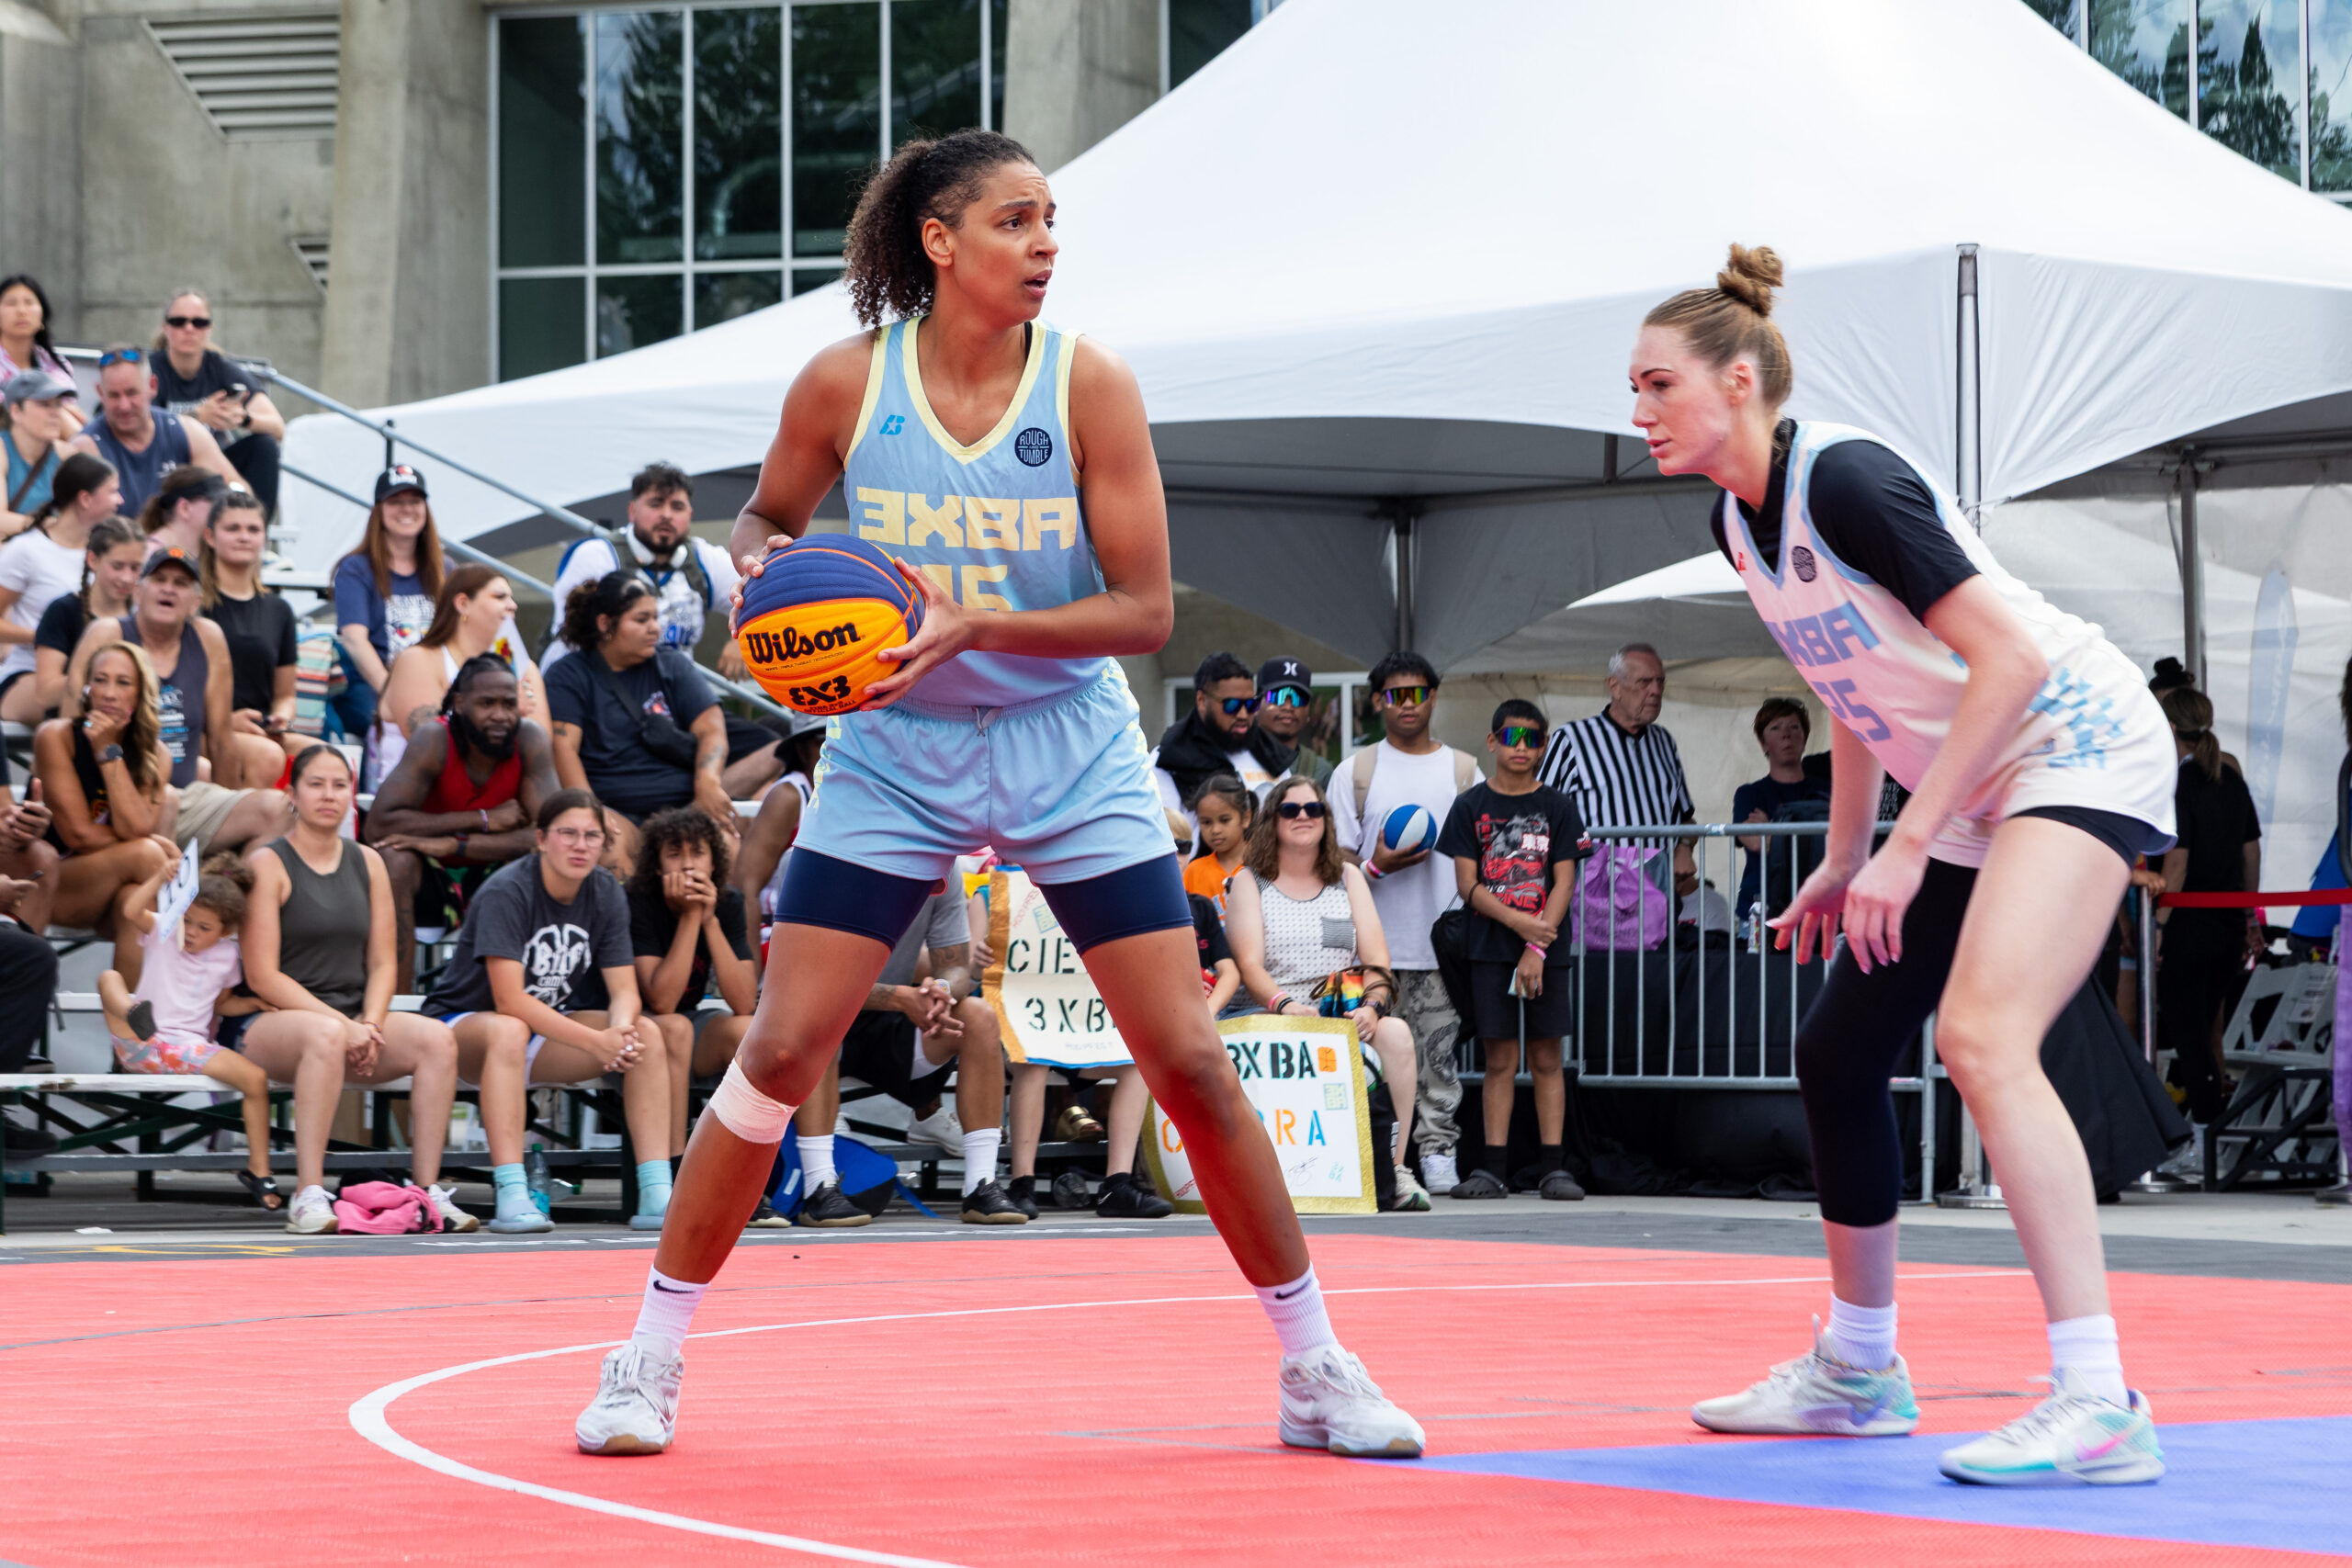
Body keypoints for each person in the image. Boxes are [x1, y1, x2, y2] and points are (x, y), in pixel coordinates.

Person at [575, 129, 1421, 1461]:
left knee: (1190, 1057)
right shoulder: (845, 384)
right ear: (939, 240)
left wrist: (977, 624)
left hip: (1064, 744)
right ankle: (647, 1356)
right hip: (895, 749)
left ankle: (1315, 1363)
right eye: (1019, 221)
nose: (1046, 244)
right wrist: (757, 578)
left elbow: (1144, 609)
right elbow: (764, 522)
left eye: (1052, 221)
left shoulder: (1089, 385)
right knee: (782, 1048)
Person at [1641, 245, 2177, 1484]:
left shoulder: (1850, 479)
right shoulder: (1736, 519)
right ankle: (1860, 1368)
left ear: (1737, 381)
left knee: (1984, 1036)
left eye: (1658, 384)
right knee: (1836, 1050)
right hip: (1977, 777)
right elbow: (1853, 683)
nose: (1640, 409)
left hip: (2072, 742)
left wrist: (1907, 843)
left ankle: (2100, 1399)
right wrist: (1843, 854)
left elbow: (2011, 663)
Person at [424, 788, 680, 1235]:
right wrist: (596, 1042)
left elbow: (624, 988)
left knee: (647, 1035)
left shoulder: (605, 891)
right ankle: (511, 1192)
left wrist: (618, 1032)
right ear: (541, 839)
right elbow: (510, 1000)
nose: (580, 846)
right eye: (568, 834)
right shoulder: (510, 889)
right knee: (507, 1030)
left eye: (591, 836)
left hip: (538, 1032)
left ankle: (657, 1193)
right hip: (460, 1030)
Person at [234, 744, 467, 1235]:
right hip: (269, 1023)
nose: (329, 795)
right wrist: (345, 1028)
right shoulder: (267, 863)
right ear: (292, 794)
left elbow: (385, 960)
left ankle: (426, 1193)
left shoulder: (369, 862)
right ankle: (309, 1194)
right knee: (324, 1036)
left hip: (354, 1021)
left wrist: (370, 1025)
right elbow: (263, 976)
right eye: (316, 784)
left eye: (339, 785)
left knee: (438, 1040)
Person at [1225, 775, 1430, 1212]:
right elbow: (1249, 966)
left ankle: (1393, 1170)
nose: (1303, 817)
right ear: (1272, 820)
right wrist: (1287, 1006)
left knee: (1395, 1035)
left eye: (1314, 809)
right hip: (1273, 1014)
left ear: (1326, 819)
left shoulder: (1348, 877)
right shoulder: (1249, 881)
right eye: (1291, 810)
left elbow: (1376, 960)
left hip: (1340, 1013)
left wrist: (1374, 1008)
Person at [1327, 651, 1477, 1197]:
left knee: (1438, 1057)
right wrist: (1376, 867)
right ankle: (1374, 1157)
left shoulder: (1462, 770)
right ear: (1377, 702)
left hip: (1439, 944)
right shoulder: (1357, 771)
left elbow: (1478, 852)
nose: (1407, 704)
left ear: (1433, 697)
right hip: (1373, 951)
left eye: (1417, 694)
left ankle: (1437, 1151)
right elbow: (1335, 863)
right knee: (1368, 1057)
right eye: (1395, 695)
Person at [787, 884, 1026, 1226]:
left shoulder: (941, 865)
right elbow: (814, 980)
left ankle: (980, 1185)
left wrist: (940, 991)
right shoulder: (824, 856)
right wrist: (901, 997)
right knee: (817, 1017)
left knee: (978, 1017)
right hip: (808, 1013)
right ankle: (819, 1189)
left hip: (887, 1018)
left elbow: (955, 967)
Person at [1437, 701, 1589, 1201]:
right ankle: (1492, 1169)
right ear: (1493, 741)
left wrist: (1537, 944)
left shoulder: (1560, 807)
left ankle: (1554, 1168)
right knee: (1498, 1059)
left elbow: (1564, 882)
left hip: (1546, 949)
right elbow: (1467, 884)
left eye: (1531, 738)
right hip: (1488, 946)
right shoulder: (1469, 806)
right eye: (1511, 735)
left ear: (1543, 746)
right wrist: (1517, 922)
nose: (1520, 746)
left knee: (1547, 1057)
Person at [64, 545, 288, 857]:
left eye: (181, 584)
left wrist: (228, 806)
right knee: (165, 799)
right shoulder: (107, 634)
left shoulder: (208, 637)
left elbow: (222, 739)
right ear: (139, 591)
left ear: (196, 601)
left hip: (187, 797)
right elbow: (70, 726)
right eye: (159, 580)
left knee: (277, 808)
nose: (168, 589)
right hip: (116, 793)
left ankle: (233, 896)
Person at [364, 653, 561, 993]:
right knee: (393, 860)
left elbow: (551, 837)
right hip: (431, 874)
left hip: (493, 872)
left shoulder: (529, 739)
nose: (500, 715)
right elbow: (379, 826)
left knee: (550, 861)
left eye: (508, 704)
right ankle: (398, 1003)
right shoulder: (434, 739)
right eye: (487, 703)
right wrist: (484, 819)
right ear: (459, 702)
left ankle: (529, 997)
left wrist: (457, 843)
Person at [98, 853, 279, 1210]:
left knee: (256, 1079)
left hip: (186, 1051)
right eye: (188, 920)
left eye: (204, 927)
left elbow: (221, 1004)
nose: (191, 931)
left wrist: (253, 1005)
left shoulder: (228, 957)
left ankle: (259, 1170)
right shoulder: (164, 930)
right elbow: (132, 911)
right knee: (110, 979)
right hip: (138, 1044)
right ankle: (134, 1011)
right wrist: (158, 879)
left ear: (226, 932)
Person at [545, 571, 744, 871]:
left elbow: (712, 729)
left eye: (655, 617)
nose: (655, 628)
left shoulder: (671, 663)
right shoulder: (568, 675)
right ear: (605, 624)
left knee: (722, 843)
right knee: (605, 848)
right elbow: (563, 748)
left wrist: (708, 782)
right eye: (642, 620)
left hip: (682, 808)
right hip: (616, 810)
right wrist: (590, 812)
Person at [2151, 686, 2262, 1146]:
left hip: (2189, 923)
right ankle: (2210, 1129)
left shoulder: (2180, 783)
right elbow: (2251, 854)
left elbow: (2176, 863)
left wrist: (2157, 927)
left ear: (2171, 728)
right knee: (2205, 1022)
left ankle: (2204, 1131)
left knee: (2187, 1029)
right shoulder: (2231, 779)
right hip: (2228, 922)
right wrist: (2250, 917)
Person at [37, 641, 178, 978]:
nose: (110, 693)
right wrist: (102, 749)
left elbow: (135, 828)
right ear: (87, 689)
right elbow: (79, 834)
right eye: (101, 680)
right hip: (56, 885)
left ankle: (130, 1026)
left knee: (137, 897)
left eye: (123, 683)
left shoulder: (156, 755)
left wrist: (108, 751)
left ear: (140, 693)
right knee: (148, 855)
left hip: (116, 893)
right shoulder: (57, 737)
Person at [625, 807, 757, 1154]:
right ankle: (675, 1161)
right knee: (672, 1025)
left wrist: (709, 921)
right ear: (657, 866)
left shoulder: (728, 901)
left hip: (687, 1026)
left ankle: (745, 1165)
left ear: (714, 863)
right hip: (632, 1030)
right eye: (674, 854)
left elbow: (744, 1002)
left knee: (750, 1031)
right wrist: (689, 916)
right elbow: (663, 1001)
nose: (687, 865)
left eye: (697, 853)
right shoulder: (637, 900)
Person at [548, 462, 746, 681]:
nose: (667, 515)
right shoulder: (596, 556)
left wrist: (742, 637)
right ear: (632, 511)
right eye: (655, 504)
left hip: (674, 693)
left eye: (677, 507)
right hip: (598, 686)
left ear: (690, 515)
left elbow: (759, 590)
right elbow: (572, 638)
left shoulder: (703, 558)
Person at [1540, 641, 1699, 910]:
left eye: (1660, 682)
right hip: (1594, 899)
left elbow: (1685, 816)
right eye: (1644, 682)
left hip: (1656, 896)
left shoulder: (1664, 742)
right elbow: (1540, 817)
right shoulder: (1572, 739)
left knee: (1660, 953)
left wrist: (1684, 846)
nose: (1656, 691)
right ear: (1614, 687)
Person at [374, 563, 547, 789]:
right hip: (417, 804)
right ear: (463, 604)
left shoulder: (524, 668)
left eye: (511, 598)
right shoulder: (418, 660)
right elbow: (432, 748)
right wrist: (511, 713)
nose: (512, 605)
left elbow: (540, 753)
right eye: (499, 596)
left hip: (499, 801)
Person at [331, 464, 444, 770]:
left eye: (414, 501)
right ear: (379, 510)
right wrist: (393, 691)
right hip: (375, 686)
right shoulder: (356, 569)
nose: (406, 509)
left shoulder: (446, 569)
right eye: (396, 502)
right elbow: (355, 640)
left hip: (436, 687)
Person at [148, 289, 286, 519]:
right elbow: (143, 431)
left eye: (199, 322)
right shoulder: (152, 369)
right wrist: (196, 417)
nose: (189, 329)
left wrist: (243, 419)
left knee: (264, 446)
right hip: (168, 467)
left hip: (215, 468)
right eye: (179, 321)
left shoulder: (219, 367)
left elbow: (278, 428)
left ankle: (256, 530)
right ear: (165, 328)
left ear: (209, 329)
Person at [0, 453, 117, 722]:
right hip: (30, 674)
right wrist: (47, 639)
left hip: (96, 673)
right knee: (87, 698)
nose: (119, 500)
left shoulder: (106, 553)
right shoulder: (27, 549)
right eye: (112, 491)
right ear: (85, 499)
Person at [200, 487, 300, 787]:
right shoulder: (194, 605)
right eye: (233, 528)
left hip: (262, 730)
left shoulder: (279, 609)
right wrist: (224, 722)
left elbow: (285, 694)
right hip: (207, 731)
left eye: (253, 529)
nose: (244, 536)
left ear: (263, 538)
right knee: (267, 756)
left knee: (325, 757)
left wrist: (281, 718)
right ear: (210, 536)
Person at [71, 346, 241, 513]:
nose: (124, 406)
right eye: (114, 395)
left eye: (132, 393)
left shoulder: (187, 432)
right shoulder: (86, 448)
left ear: (152, 386)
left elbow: (236, 491)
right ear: (100, 393)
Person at [1152, 650, 1294, 839]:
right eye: (1232, 705)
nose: (1243, 715)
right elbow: (1162, 838)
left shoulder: (1271, 754)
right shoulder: (1167, 761)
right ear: (1202, 701)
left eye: (1251, 705)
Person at [22, 516, 143, 723]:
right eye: (118, 566)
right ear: (92, 560)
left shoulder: (142, 615)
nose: (127, 578)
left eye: (135, 568)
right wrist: (101, 680)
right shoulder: (64, 610)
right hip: (74, 721)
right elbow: (45, 692)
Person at [1732, 695, 1830, 918]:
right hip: (1760, 907)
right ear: (1763, 743)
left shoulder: (1829, 789)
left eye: (1794, 727)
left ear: (1804, 738)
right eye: (1775, 728)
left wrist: (1772, 834)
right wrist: (1810, 845)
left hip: (1816, 908)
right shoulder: (1749, 793)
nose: (1786, 734)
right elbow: (1753, 839)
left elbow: (1837, 844)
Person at [730, 710, 827, 918]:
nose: (832, 750)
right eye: (823, 740)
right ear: (801, 750)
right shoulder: (788, 795)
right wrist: (746, 952)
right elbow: (745, 887)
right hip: (777, 933)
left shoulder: (849, 795)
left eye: (839, 740)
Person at [3, 367, 81, 537]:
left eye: (58, 404)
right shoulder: (1, 450)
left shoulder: (67, 455)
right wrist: (52, 528)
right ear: (16, 411)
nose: (55, 413)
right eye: (44, 404)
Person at [1181, 771, 1254, 911]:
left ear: (1245, 818)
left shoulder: (1266, 865)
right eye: (1207, 822)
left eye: (1224, 820)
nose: (1215, 830)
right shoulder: (1193, 872)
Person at [1255, 657, 1332, 786]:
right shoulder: (1232, 762)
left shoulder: (1321, 772)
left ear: (1308, 710)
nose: (1288, 707)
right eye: (1278, 697)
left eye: (1298, 699)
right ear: (1257, 705)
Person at [136, 463, 223, 558]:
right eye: (216, 503)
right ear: (184, 508)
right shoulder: (150, 555)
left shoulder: (204, 552)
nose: (224, 510)